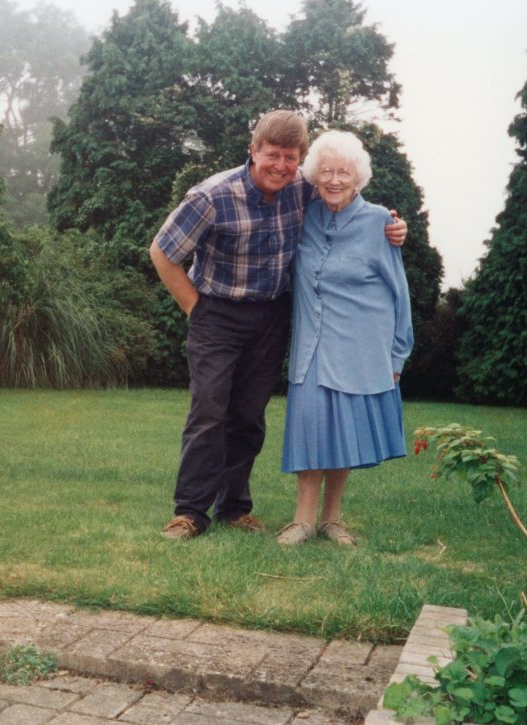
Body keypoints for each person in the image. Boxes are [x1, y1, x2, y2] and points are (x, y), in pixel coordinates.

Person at [150, 111, 407, 540]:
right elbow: (162, 252)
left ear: (299, 160)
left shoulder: (301, 190)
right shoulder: (212, 195)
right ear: (253, 152)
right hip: (217, 312)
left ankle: (234, 508)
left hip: (270, 315)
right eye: (272, 155)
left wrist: (395, 226)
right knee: (209, 410)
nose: (281, 166)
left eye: (291, 157)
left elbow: (343, 189)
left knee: (249, 416)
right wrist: (197, 310)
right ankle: (190, 513)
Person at [276, 129, 413, 547]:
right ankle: (302, 520)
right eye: (327, 172)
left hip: (358, 346)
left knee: (342, 429)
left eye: (344, 173)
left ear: (358, 179)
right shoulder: (304, 215)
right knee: (310, 421)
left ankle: (332, 519)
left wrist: (397, 356)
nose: (335, 180)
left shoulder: (379, 223)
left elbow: (399, 292)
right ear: (316, 176)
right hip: (312, 343)